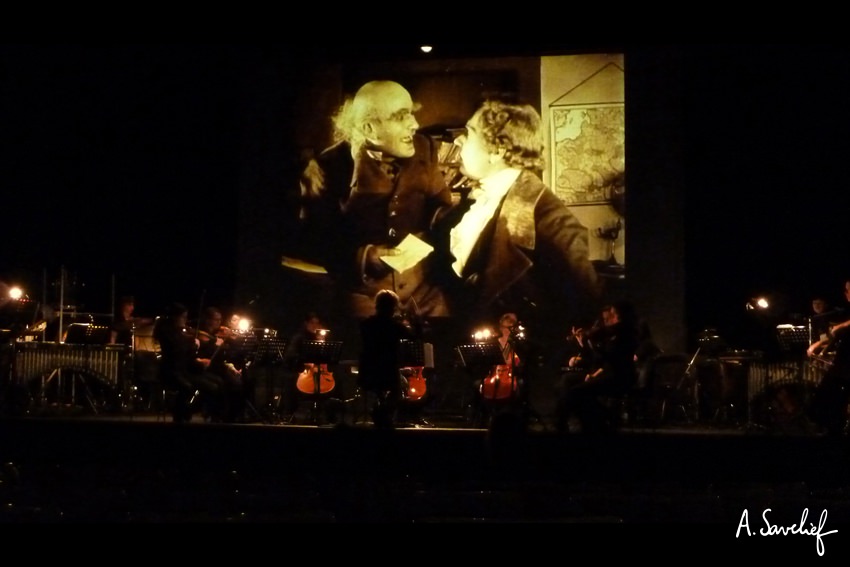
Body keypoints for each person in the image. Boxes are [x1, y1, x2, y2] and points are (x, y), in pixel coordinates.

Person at [432, 99, 602, 343]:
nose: (458, 140)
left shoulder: (552, 222)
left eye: (469, 133)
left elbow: (587, 308)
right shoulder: (474, 201)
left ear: (497, 151)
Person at [296, 80, 455, 328]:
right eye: (402, 117)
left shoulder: (426, 148)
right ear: (370, 128)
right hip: (363, 294)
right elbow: (314, 241)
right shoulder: (328, 166)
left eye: (412, 114)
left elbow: (441, 209)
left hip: (423, 292)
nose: (414, 124)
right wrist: (366, 256)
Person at [554, 299, 640, 434]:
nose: (609, 320)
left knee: (577, 393)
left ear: (621, 315)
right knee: (568, 383)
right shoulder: (617, 332)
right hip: (611, 374)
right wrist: (587, 343)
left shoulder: (627, 333)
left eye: (613, 314)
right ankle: (573, 423)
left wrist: (592, 343)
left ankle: (602, 419)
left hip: (620, 378)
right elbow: (603, 357)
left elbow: (610, 358)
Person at [152, 302, 226, 423]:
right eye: (183, 317)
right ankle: (183, 415)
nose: (185, 320)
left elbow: (187, 355)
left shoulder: (180, 333)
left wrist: (198, 359)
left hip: (184, 370)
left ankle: (213, 417)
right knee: (207, 387)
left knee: (218, 382)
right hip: (172, 372)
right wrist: (193, 343)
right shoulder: (167, 332)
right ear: (175, 317)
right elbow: (177, 351)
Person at [357, 289, 414, 429]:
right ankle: (381, 413)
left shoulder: (366, 324)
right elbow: (414, 336)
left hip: (368, 369)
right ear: (393, 307)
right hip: (388, 369)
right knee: (398, 392)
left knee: (379, 391)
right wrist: (414, 321)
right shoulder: (394, 326)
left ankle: (379, 413)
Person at [196, 306, 248, 422]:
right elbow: (206, 354)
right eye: (216, 320)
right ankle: (219, 415)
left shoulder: (217, 335)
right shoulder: (202, 335)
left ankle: (231, 416)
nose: (219, 323)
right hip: (206, 369)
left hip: (219, 368)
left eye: (220, 320)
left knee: (239, 382)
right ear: (208, 320)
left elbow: (227, 355)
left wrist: (231, 339)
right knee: (227, 383)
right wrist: (215, 343)